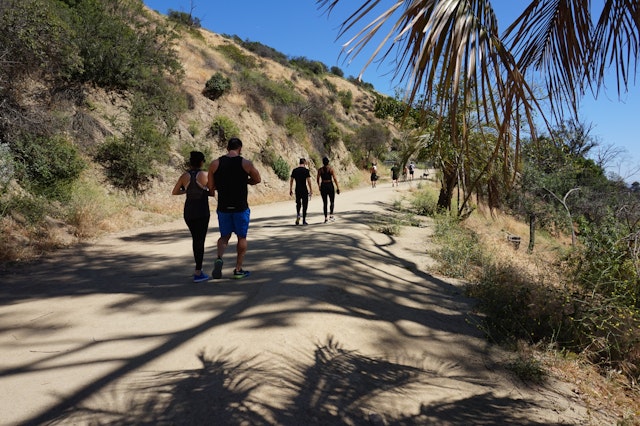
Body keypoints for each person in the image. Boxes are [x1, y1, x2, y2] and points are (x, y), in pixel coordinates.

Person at [207, 137, 262, 279]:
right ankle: (238, 269)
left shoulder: (215, 164)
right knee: (241, 237)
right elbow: (258, 179)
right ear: (240, 148)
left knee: (224, 236)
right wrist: (246, 181)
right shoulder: (246, 163)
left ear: (227, 148)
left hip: (224, 206)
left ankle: (219, 257)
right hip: (240, 207)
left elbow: (211, 187)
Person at [172, 151, 211, 283]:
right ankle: (198, 272)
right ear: (201, 162)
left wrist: (186, 190)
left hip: (189, 211)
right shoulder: (205, 175)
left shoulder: (184, 176)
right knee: (200, 241)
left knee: (196, 239)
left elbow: (175, 191)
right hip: (202, 211)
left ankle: (198, 270)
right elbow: (211, 191)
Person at [289, 158, 313, 225]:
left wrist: (290, 189)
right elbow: (308, 181)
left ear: (299, 163)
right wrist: (311, 190)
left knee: (298, 203)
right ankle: (304, 220)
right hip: (304, 189)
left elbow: (291, 180)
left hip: (297, 189)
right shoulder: (306, 170)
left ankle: (298, 214)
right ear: (304, 163)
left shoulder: (295, 170)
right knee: (305, 204)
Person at [317, 156, 340, 223]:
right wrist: (338, 187)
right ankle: (331, 215)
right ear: (328, 162)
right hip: (330, 185)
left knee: (325, 203)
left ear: (323, 162)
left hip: (323, 185)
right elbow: (335, 178)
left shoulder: (320, 170)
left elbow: (317, 179)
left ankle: (326, 218)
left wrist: (319, 186)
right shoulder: (331, 169)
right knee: (332, 201)